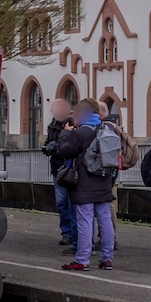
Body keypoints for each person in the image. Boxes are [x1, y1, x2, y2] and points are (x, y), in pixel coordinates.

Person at [54, 99, 118, 271]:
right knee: (105, 220)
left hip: (84, 181)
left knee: (85, 220)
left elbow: (64, 151)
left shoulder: (81, 132)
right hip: (104, 179)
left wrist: (65, 134)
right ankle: (107, 258)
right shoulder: (108, 128)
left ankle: (82, 259)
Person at [43, 98, 77, 252]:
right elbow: (50, 141)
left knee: (71, 203)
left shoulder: (72, 123)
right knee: (61, 203)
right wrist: (48, 147)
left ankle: (72, 234)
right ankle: (67, 232)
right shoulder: (53, 124)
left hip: (69, 169)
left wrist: (56, 147)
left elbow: (71, 145)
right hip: (57, 169)